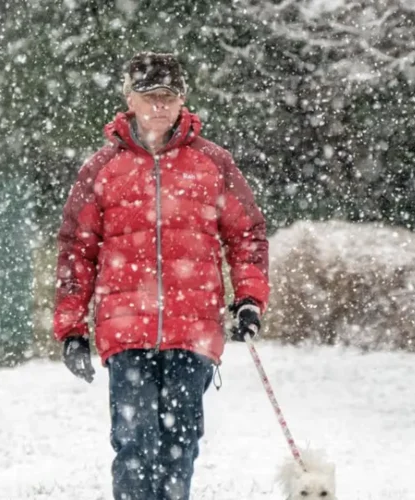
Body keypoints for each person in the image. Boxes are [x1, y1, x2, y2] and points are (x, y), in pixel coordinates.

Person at [52, 51, 270, 500]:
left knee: (180, 444)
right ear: (129, 98)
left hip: (194, 329)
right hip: (125, 329)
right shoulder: (101, 167)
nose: (158, 105)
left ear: (182, 101)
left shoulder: (213, 162)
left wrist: (249, 298)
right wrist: (71, 329)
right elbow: (77, 250)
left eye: (168, 96)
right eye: (149, 96)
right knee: (134, 443)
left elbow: (247, 234)